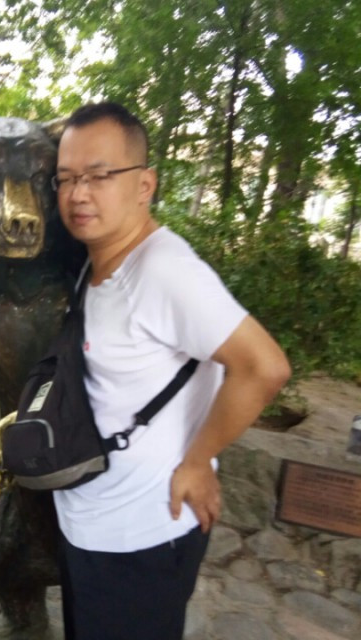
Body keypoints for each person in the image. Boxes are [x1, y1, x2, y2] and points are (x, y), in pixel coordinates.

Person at [52, 102, 291, 640]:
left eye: (99, 176)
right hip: (89, 520)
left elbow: (264, 367)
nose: (78, 194)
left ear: (144, 185)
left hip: (141, 537)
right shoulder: (95, 260)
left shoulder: (164, 270)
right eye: (66, 178)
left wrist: (199, 462)